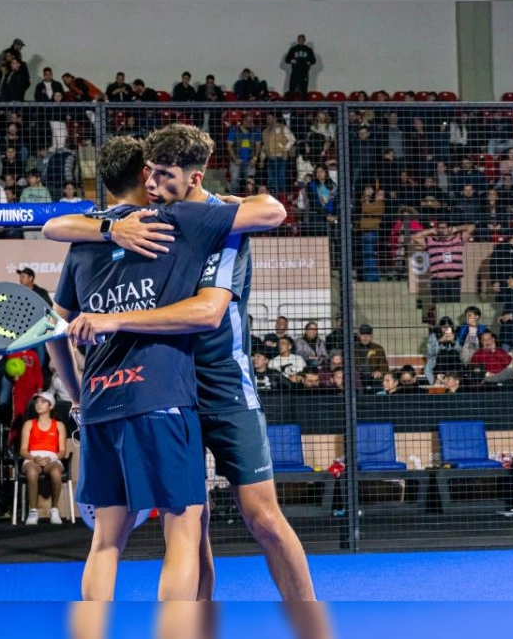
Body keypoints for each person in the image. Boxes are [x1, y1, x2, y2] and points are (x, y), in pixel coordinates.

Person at [46, 129, 324, 623]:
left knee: (262, 518)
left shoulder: (217, 223)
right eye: (148, 170)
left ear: (192, 177)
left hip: (223, 385)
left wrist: (112, 320)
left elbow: (208, 311)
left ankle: (310, 623)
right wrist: (111, 229)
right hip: (169, 385)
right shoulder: (149, 219)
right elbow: (57, 226)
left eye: (163, 173)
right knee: (194, 523)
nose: (151, 180)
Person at [18, 391, 68, 526]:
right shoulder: (29, 424)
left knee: (56, 473)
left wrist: (51, 459)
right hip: (32, 457)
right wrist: (34, 458)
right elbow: (23, 450)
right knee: (32, 472)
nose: (39, 404)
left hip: (51, 458)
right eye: (37, 401)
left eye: (43, 402)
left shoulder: (59, 425)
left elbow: (62, 451)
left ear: (50, 406)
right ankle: (33, 511)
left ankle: (54, 509)